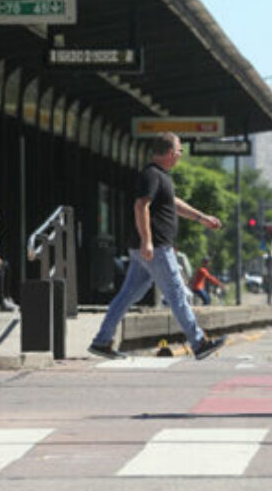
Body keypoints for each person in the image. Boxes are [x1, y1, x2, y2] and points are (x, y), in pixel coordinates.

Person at [87, 132, 226, 360]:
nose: (180, 155)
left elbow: (173, 203)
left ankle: (102, 341)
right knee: (177, 294)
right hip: (157, 248)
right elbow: (141, 206)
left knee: (126, 296)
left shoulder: (160, 176)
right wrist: (147, 241)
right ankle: (199, 342)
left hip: (148, 250)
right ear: (171, 153)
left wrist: (202, 218)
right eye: (180, 151)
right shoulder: (151, 175)